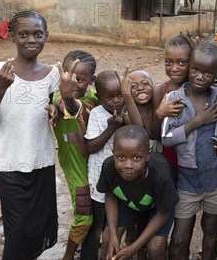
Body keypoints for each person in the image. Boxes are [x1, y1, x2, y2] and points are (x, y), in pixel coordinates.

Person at [0, 10, 60, 259]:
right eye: (23, 34)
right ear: (12, 36)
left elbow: (57, 109)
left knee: (36, 231)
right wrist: (1, 89)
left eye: (38, 34)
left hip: (41, 163)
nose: (31, 40)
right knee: (17, 234)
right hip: (10, 165)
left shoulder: (52, 74)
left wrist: (56, 108)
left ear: (46, 36)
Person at [162, 42, 217, 260]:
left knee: (211, 230)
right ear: (189, 67)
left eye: (208, 73)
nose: (200, 77)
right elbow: (165, 139)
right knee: (180, 237)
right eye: (195, 70)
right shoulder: (175, 98)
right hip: (187, 181)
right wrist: (197, 121)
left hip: (216, 178)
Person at [98, 125, 179, 259]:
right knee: (108, 239)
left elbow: (163, 212)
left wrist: (133, 248)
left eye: (136, 158)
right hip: (128, 202)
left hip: (158, 208)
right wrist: (113, 234)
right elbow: (110, 194)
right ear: (113, 154)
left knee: (156, 247)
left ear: (148, 156)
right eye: (121, 157)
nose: (128, 165)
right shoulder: (109, 167)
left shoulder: (161, 175)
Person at [51, 50, 99, 260]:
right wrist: (59, 101)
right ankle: (68, 255)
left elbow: (83, 107)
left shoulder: (94, 100)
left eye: (80, 79)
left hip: (94, 163)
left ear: (92, 80)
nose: (73, 84)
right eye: (69, 78)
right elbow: (68, 105)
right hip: (74, 164)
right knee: (84, 216)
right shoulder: (60, 99)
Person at [81, 70, 126, 260]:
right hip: (99, 178)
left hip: (121, 178)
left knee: (114, 223)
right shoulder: (97, 114)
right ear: (100, 97)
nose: (116, 101)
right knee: (97, 224)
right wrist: (112, 128)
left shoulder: (127, 110)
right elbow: (91, 146)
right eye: (110, 97)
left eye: (119, 95)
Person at [152, 35, 193, 168]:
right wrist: (159, 114)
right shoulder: (160, 90)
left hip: (194, 153)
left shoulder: (198, 88)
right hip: (169, 156)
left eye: (182, 62)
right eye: (169, 62)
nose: (174, 68)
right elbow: (155, 134)